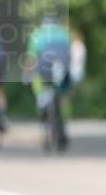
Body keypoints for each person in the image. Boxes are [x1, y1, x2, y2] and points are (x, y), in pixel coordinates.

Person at [23, 15, 73, 148]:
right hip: (62, 69)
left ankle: (42, 105)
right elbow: (69, 55)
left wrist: (27, 74)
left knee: (37, 82)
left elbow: (31, 58)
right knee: (62, 96)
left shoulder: (37, 34)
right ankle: (63, 121)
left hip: (44, 70)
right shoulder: (64, 33)